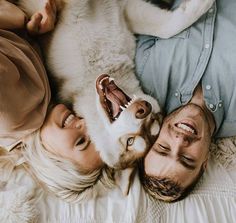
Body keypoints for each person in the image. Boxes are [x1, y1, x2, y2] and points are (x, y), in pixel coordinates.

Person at [0, 0, 114, 203]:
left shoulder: (14, 116)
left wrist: (18, 17)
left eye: (81, 141)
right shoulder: (38, 107)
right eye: (96, 130)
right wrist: (31, 32)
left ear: (51, 161)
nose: (85, 124)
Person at [135, 0, 236, 201]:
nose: (180, 141)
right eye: (187, 159)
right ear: (205, 161)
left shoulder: (146, 76)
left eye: (163, 147)